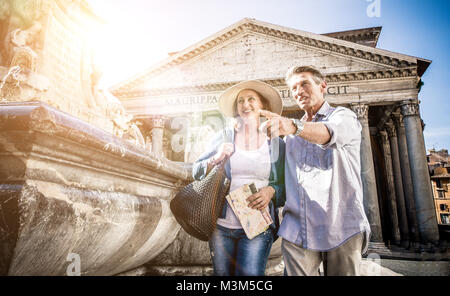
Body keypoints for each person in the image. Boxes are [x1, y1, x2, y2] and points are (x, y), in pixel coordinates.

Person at [259, 65, 371, 276]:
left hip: (341, 224)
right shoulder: (291, 137)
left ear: (323, 86)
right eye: (293, 88)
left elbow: (329, 134)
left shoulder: (343, 116)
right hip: (298, 227)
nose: (298, 91)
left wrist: (293, 126)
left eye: (304, 84)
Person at [192, 80, 286, 276]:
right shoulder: (224, 136)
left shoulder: (276, 143)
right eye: (240, 101)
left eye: (251, 99)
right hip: (221, 226)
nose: (245, 104)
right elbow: (196, 172)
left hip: (258, 226)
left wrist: (272, 191)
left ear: (263, 106)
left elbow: (289, 185)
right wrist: (216, 158)